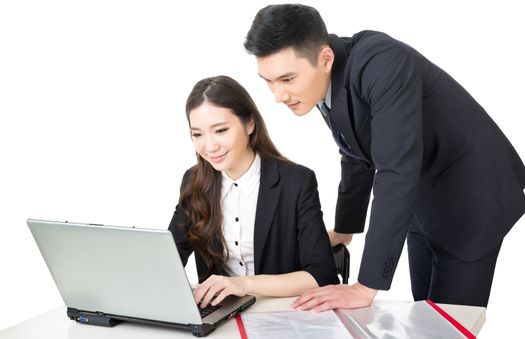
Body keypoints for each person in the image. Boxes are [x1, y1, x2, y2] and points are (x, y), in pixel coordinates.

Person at [244, 4, 525, 311]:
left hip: (472, 199)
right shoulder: (322, 83)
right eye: (268, 81)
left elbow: (395, 169)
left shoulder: (382, 63)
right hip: (421, 201)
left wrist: (366, 287)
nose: (278, 95)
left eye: (287, 79)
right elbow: (355, 152)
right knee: (426, 319)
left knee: (449, 332)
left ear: (325, 58)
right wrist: (345, 228)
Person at [168, 75, 339, 308]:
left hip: (281, 313)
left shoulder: (296, 182)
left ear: (249, 124)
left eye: (220, 130)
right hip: (220, 315)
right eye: (197, 134)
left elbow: (322, 276)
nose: (209, 146)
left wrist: (245, 284)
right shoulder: (193, 180)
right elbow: (168, 259)